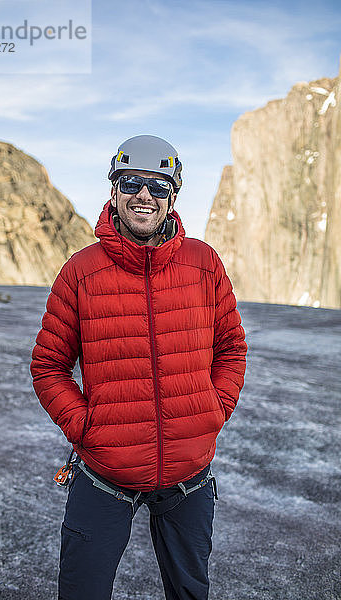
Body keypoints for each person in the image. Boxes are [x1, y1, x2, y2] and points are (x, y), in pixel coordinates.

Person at [30, 134, 247, 600]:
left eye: (159, 185)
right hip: (104, 470)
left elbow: (230, 346)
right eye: (131, 182)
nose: (144, 195)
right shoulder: (80, 272)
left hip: (189, 474)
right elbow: (49, 365)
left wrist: (213, 409)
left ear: (173, 197)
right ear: (113, 191)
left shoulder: (203, 264)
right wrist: (87, 426)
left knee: (190, 591)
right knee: (81, 590)